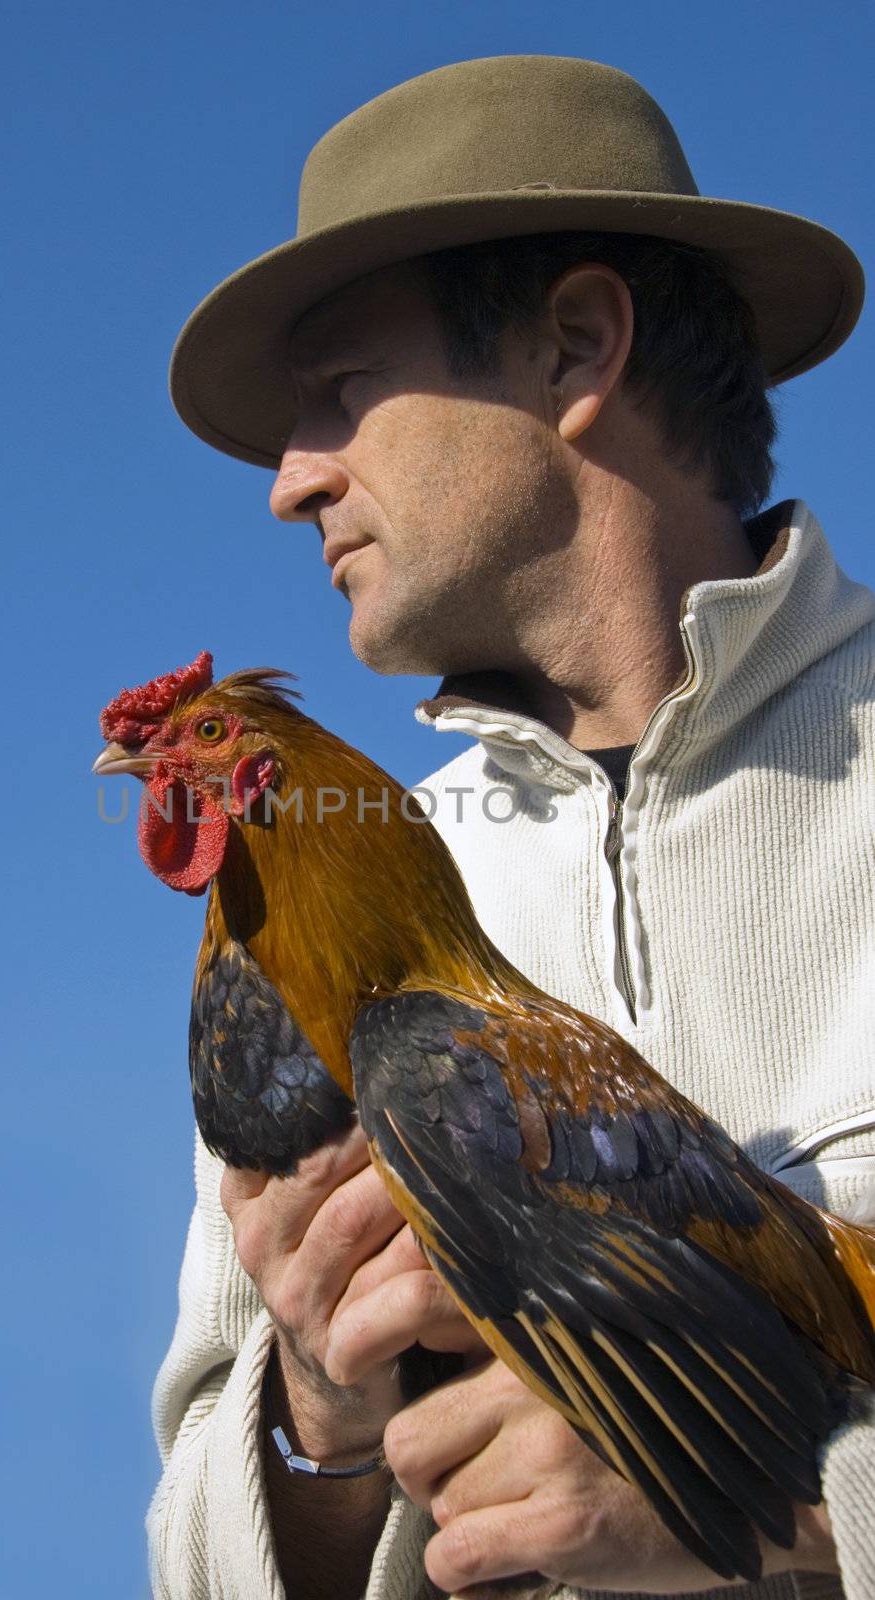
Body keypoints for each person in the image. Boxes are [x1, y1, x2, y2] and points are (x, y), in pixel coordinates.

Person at [148, 56, 875, 1600]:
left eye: (338, 393)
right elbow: (195, 1556)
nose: (290, 484)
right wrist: (324, 1416)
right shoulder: (319, 886)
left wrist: (803, 1518)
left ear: (575, 346)